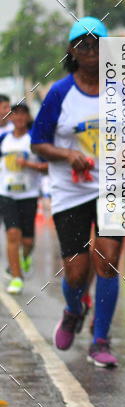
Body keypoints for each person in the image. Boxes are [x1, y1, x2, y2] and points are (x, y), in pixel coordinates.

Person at [31, 17, 125, 367]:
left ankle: (100, 339)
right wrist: (68, 155)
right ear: (72, 50)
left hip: (115, 186)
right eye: (84, 44)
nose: (92, 51)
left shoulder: (121, 91)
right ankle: (73, 308)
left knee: (108, 262)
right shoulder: (59, 94)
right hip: (71, 192)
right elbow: (38, 143)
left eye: (98, 45)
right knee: (76, 273)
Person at [0, 103, 47, 295]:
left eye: (22, 115)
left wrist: (28, 164)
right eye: (14, 115)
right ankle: (16, 277)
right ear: (10, 118)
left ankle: (25, 257)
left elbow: (47, 167)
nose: (18, 118)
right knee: (12, 234)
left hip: (28, 195)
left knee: (28, 241)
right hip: (7, 194)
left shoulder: (34, 140)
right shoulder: (4, 139)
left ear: (28, 118)